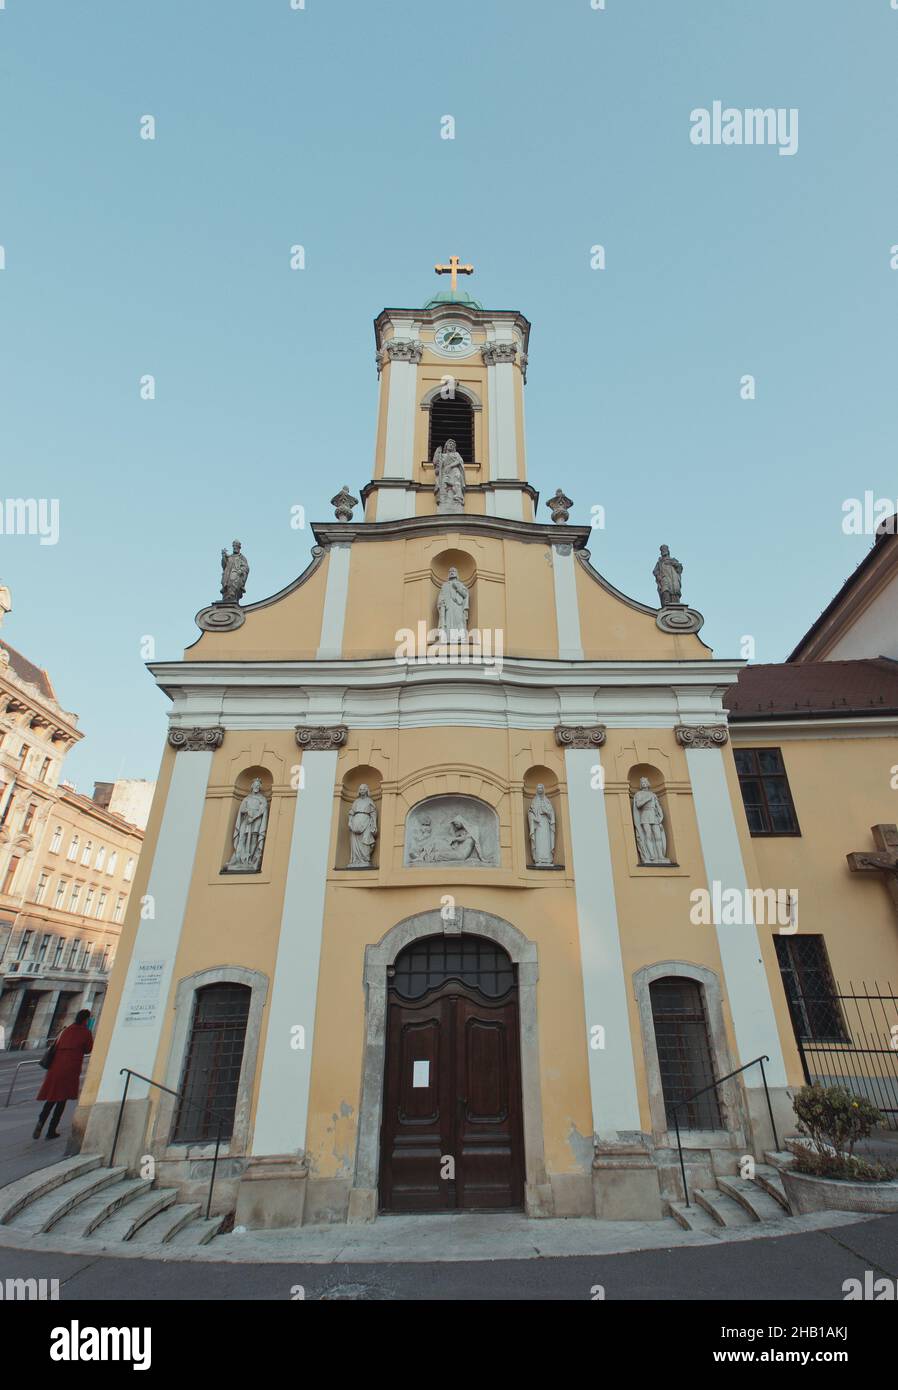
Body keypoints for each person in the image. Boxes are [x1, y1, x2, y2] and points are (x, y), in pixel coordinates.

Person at [33, 1008, 93, 1141]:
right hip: (70, 1070)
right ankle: (51, 1130)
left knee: (51, 1098)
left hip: (55, 1069)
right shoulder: (85, 1033)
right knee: (62, 1100)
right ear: (86, 1020)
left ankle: (41, 1121)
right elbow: (88, 1049)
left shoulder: (65, 1031)